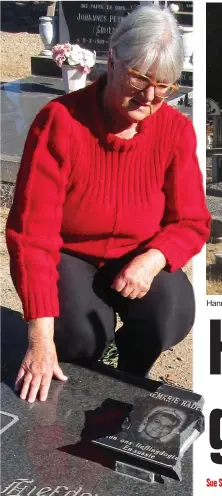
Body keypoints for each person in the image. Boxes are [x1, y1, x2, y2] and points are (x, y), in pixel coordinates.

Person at [6, 5, 211, 404]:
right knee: (81, 334)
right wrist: (40, 337)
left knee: (170, 312)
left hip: (135, 253)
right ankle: (79, 381)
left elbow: (191, 221)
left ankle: (128, 380)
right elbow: (32, 233)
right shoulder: (61, 122)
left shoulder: (175, 131)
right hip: (70, 253)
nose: (150, 96)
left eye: (165, 86)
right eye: (139, 78)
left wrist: (153, 259)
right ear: (113, 56)